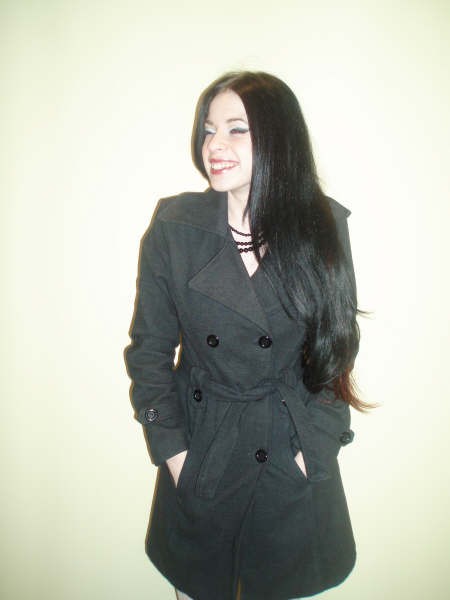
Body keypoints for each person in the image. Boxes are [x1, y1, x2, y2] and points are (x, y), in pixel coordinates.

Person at [125, 71, 365, 600]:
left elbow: (335, 351)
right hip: (204, 453)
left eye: (237, 129)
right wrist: (174, 454)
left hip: (288, 451)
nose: (215, 145)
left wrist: (314, 450)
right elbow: (149, 354)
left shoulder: (322, 225)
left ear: (279, 137)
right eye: (209, 129)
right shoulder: (175, 227)